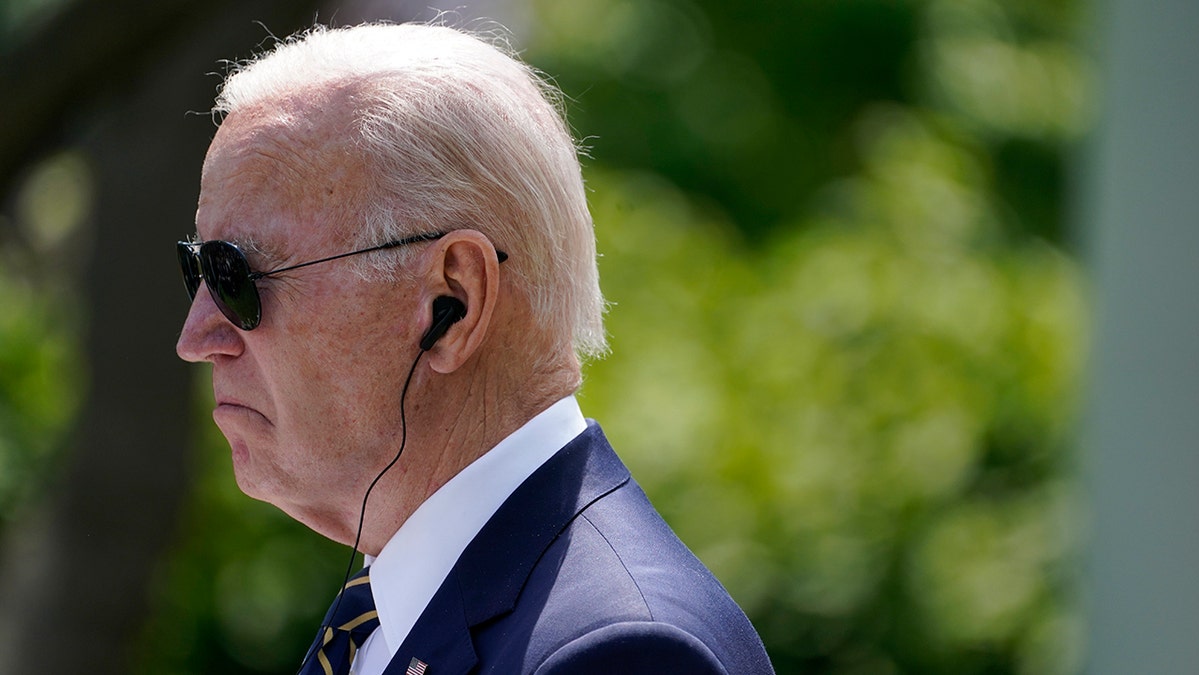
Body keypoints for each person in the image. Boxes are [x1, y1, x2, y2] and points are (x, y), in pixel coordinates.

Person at [175, 22, 774, 675]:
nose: (196, 337)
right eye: (196, 270)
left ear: (451, 300)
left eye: (235, 276)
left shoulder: (619, 653)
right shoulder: (386, 608)